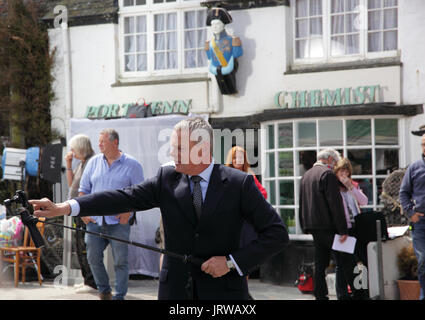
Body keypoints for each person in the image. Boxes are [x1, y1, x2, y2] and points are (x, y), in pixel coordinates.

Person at [30, 117, 289, 300]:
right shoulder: (167, 178)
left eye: (179, 148)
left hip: (224, 293)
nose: (171, 152)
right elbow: (122, 197)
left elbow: (277, 233)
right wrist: (65, 207)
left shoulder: (238, 183)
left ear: (202, 149)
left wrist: (232, 263)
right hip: (174, 292)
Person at [77, 129, 144, 300]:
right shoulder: (93, 162)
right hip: (94, 221)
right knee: (93, 258)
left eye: (103, 141)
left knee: (120, 261)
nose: (99, 144)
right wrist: (84, 213)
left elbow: (141, 194)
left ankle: (119, 296)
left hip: (118, 223)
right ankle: (104, 291)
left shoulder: (133, 165)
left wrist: (128, 212)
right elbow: (83, 191)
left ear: (115, 142)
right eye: (99, 141)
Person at [299, 148, 351, 300]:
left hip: (313, 227)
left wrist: (304, 225)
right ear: (329, 159)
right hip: (329, 227)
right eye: (334, 162)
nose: (335, 166)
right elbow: (335, 204)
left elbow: (302, 202)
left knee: (320, 263)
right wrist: (343, 230)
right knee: (345, 260)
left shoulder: (306, 175)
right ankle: (350, 294)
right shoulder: (327, 174)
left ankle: (320, 295)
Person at [65, 134, 97, 293]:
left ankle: (91, 282)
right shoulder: (82, 163)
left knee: (85, 247)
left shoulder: (91, 162)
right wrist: (69, 164)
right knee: (79, 246)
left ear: (81, 148)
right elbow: (72, 185)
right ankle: (87, 280)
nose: (72, 151)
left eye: (73, 148)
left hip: (85, 212)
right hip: (78, 211)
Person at [334, 157, 368, 300]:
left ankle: (359, 291)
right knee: (341, 264)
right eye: (341, 170)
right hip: (342, 229)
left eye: (347, 171)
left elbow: (364, 201)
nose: (344, 174)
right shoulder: (333, 188)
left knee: (360, 261)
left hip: (355, 228)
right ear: (335, 172)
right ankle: (342, 294)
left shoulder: (352, 186)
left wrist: (351, 187)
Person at [399, 134, 425, 300]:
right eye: (423, 144)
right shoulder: (414, 168)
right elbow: (403, 193)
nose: (424, 147)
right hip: (420, 223)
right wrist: (410, 213)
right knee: (423, 260)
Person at [205, 7, 243, 95]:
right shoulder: (210, 43)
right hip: (216, 70)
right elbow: (210, 58)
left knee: (230, 85)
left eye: (217, 24)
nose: (214, 27)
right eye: (213, 24)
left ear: (223, 25)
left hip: (229, 69)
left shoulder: (233, 39)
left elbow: (237, 54)